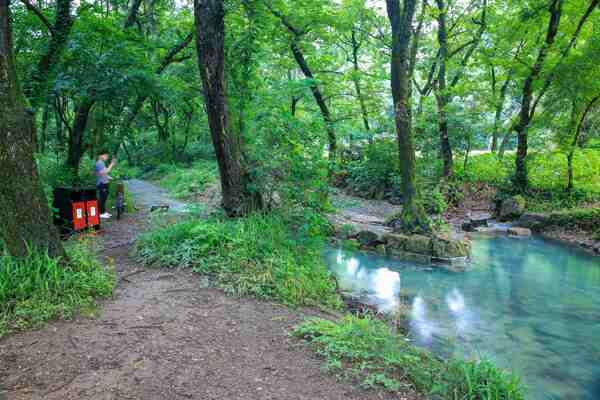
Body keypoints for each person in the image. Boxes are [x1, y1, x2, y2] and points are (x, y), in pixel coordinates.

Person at [95, 150, 116, 219]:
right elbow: (105, 172)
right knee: (102, 198)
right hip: (101, 183)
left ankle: (103, 212)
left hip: (104, 183)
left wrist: (109, 177)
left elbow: (102, 174)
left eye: (107, 156)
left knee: (104, 198)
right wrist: (112, 164)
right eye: (105, 155)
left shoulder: (102, 163)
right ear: (100, 155)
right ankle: (101, 213)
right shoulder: (99, 163)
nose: (106, 157)